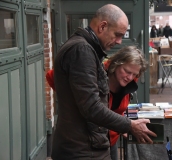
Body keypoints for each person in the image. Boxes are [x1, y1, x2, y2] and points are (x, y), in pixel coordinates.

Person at [51, 4, 156, 160]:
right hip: (83, 150)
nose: (120, 41)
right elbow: (91, 107)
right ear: (102, 26)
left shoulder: (84, 48)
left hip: (83, 146)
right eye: (118, 35)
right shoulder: (82, 50)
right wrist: (129, 125)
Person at [47, 46, 148, 160]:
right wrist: (73, 100)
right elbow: (52, 76)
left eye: (134, 74)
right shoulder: (95, 71)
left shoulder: (130, 80)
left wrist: (122, 125)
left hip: (111, 139)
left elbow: (114, 110)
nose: (130, 77)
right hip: (87, 140)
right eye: (127, 71)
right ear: (116, 64)